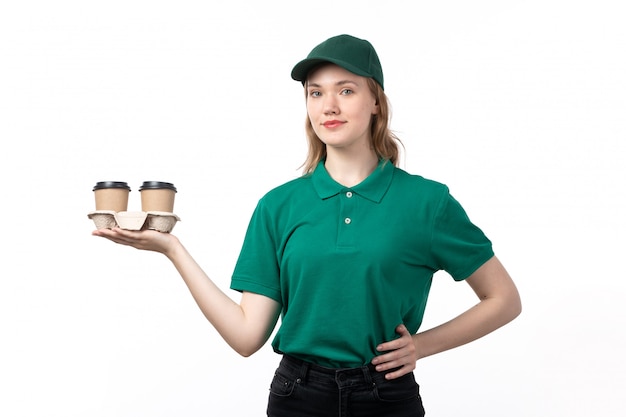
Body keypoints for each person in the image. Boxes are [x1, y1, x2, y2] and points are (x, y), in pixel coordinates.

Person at [93, 34, 522, 417]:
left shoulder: (427, 202)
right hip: (297, 396)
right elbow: (246, 336)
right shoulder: (278, 205)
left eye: (346, 90)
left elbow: (503, 299)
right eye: (315, 93)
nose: (329, 106)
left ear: (376, 102)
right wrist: (173, 250)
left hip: (387, 398)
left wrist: (421, 346)